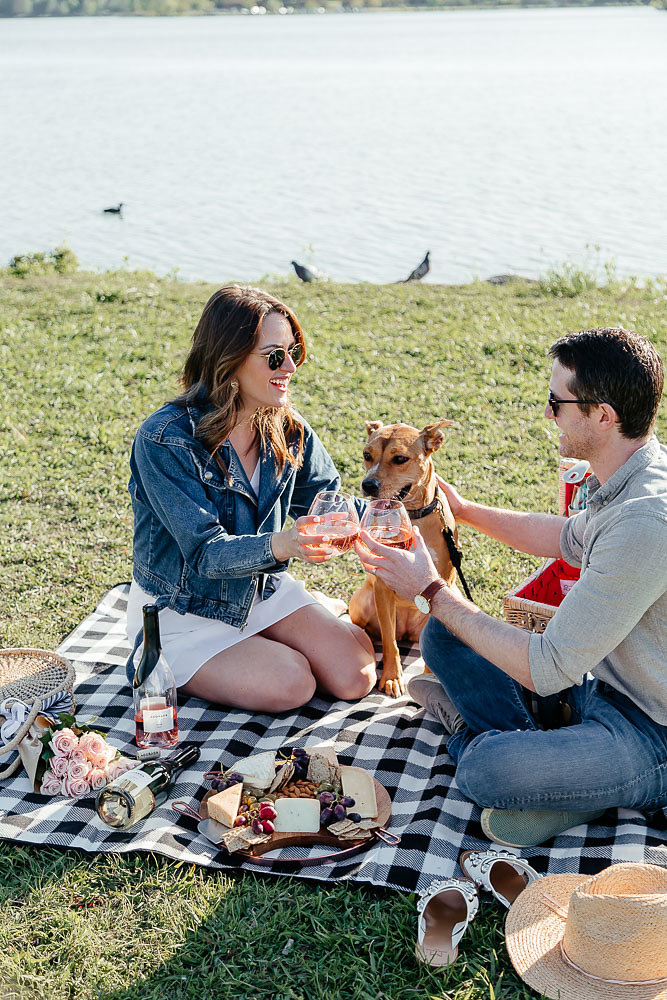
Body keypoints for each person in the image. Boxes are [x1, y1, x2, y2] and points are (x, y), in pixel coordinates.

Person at [356, 327, 667, 847]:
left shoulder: (644, 521)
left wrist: (430, 590)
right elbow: (561, 536)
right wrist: (464, 510)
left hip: (651, 731)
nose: (547, 413)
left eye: (557, 402)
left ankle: (520, 758)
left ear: (602, 415)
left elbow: (546, 666)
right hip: (600, 684)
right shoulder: (631, 477)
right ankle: (559, 768)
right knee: (442, 636)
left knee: (486, 769)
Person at [125, 284, 376, 712]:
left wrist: (397, 515)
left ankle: (276, 633)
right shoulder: (164, 439)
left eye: (295, 352)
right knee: (293, 682)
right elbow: (205, 554)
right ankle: (191, 656)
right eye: (275, 356)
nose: (290, 367)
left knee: (357, 675)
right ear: (230, 359)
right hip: (182, 611)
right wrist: (284, 544)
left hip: (259, 591)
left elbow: (327, 502)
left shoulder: (287, 427)